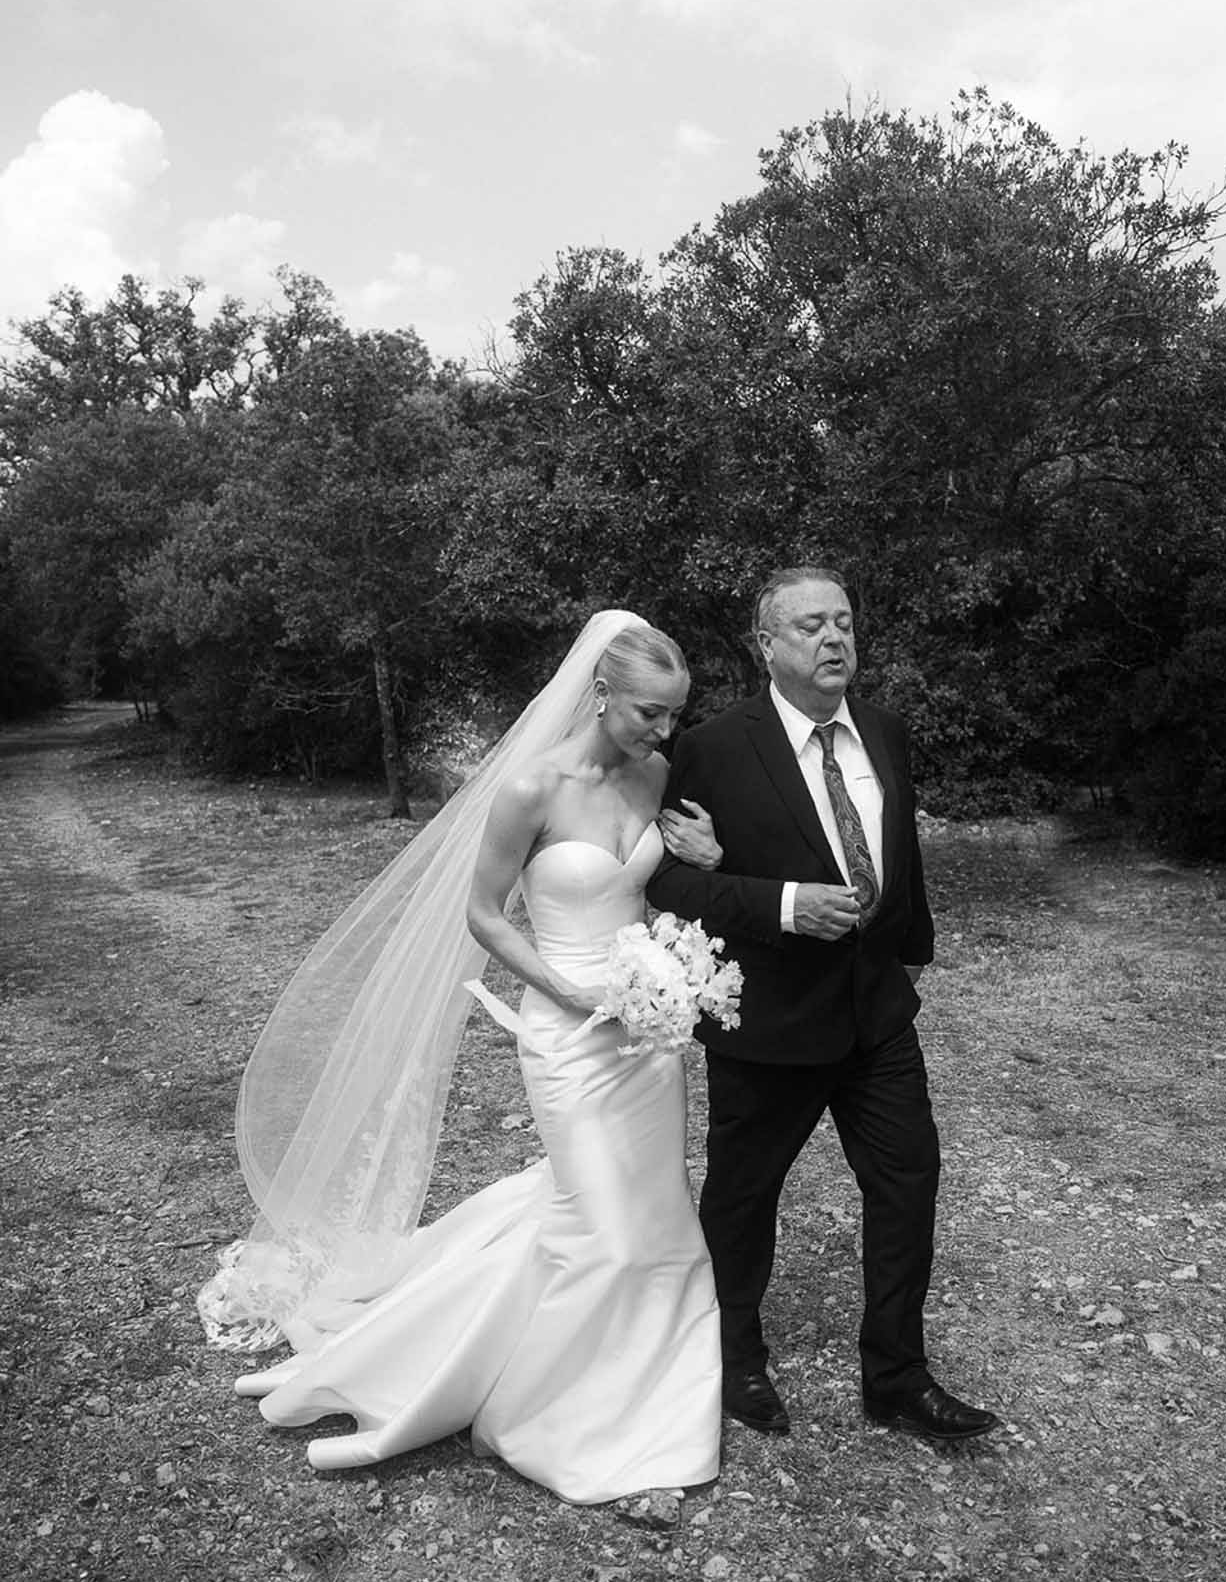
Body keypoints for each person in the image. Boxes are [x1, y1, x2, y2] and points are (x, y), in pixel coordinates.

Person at [199, 612, 723, 1505]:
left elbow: (660, 888)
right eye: (650, 712)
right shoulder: (531, 787)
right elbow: (483, 914)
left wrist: (703, 875)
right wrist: (563, 988)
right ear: (601, 694)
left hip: (643, 1035)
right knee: (602, 1225)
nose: (664, 730)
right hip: (564, 1034)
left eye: (674, 714)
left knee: (657, 1217)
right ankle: (552, 1416)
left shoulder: (657, 776)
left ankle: (645, 1397)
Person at [649, 567, 998, 1444]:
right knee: (743, 1198)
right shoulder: (715, 748)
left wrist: (909, 954)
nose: (834, 637)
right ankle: (733, 1359)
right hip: (767, 1021)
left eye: (843, 621)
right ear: (766, 645)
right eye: (810, 625)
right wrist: (781, 904)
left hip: (876, 1017)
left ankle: (897, 1377)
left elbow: (899, 852)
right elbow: (669, 883)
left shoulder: (884, 731)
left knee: (908, 1184)